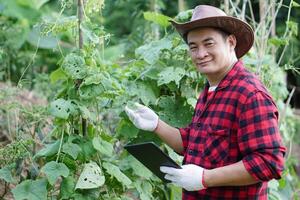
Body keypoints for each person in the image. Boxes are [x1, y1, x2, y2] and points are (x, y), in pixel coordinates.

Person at [125, 5, 286, 200]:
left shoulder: (249, 94)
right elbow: (193, 144)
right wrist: (156, 125)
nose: (200, 54)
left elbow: (269, 162)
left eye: (209, 43)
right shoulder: (211, 90)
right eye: (193, 47)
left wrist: (204, 178)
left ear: (231, 42)